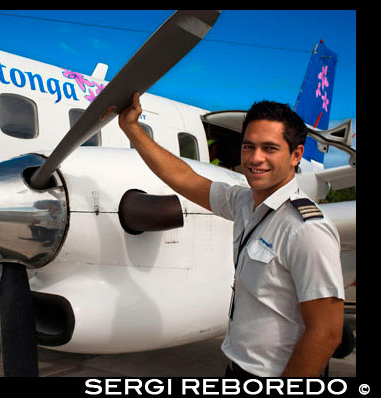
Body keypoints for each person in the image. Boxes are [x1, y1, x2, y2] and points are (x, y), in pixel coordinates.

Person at [118, 93, 344, 377]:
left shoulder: (306, 228)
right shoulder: (245, 203)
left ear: (296, 155)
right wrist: (132, 129)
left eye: (270, 148)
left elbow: (327, 332)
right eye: (249, 146)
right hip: (236, 368)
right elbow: (185, 178)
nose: (255, 158)